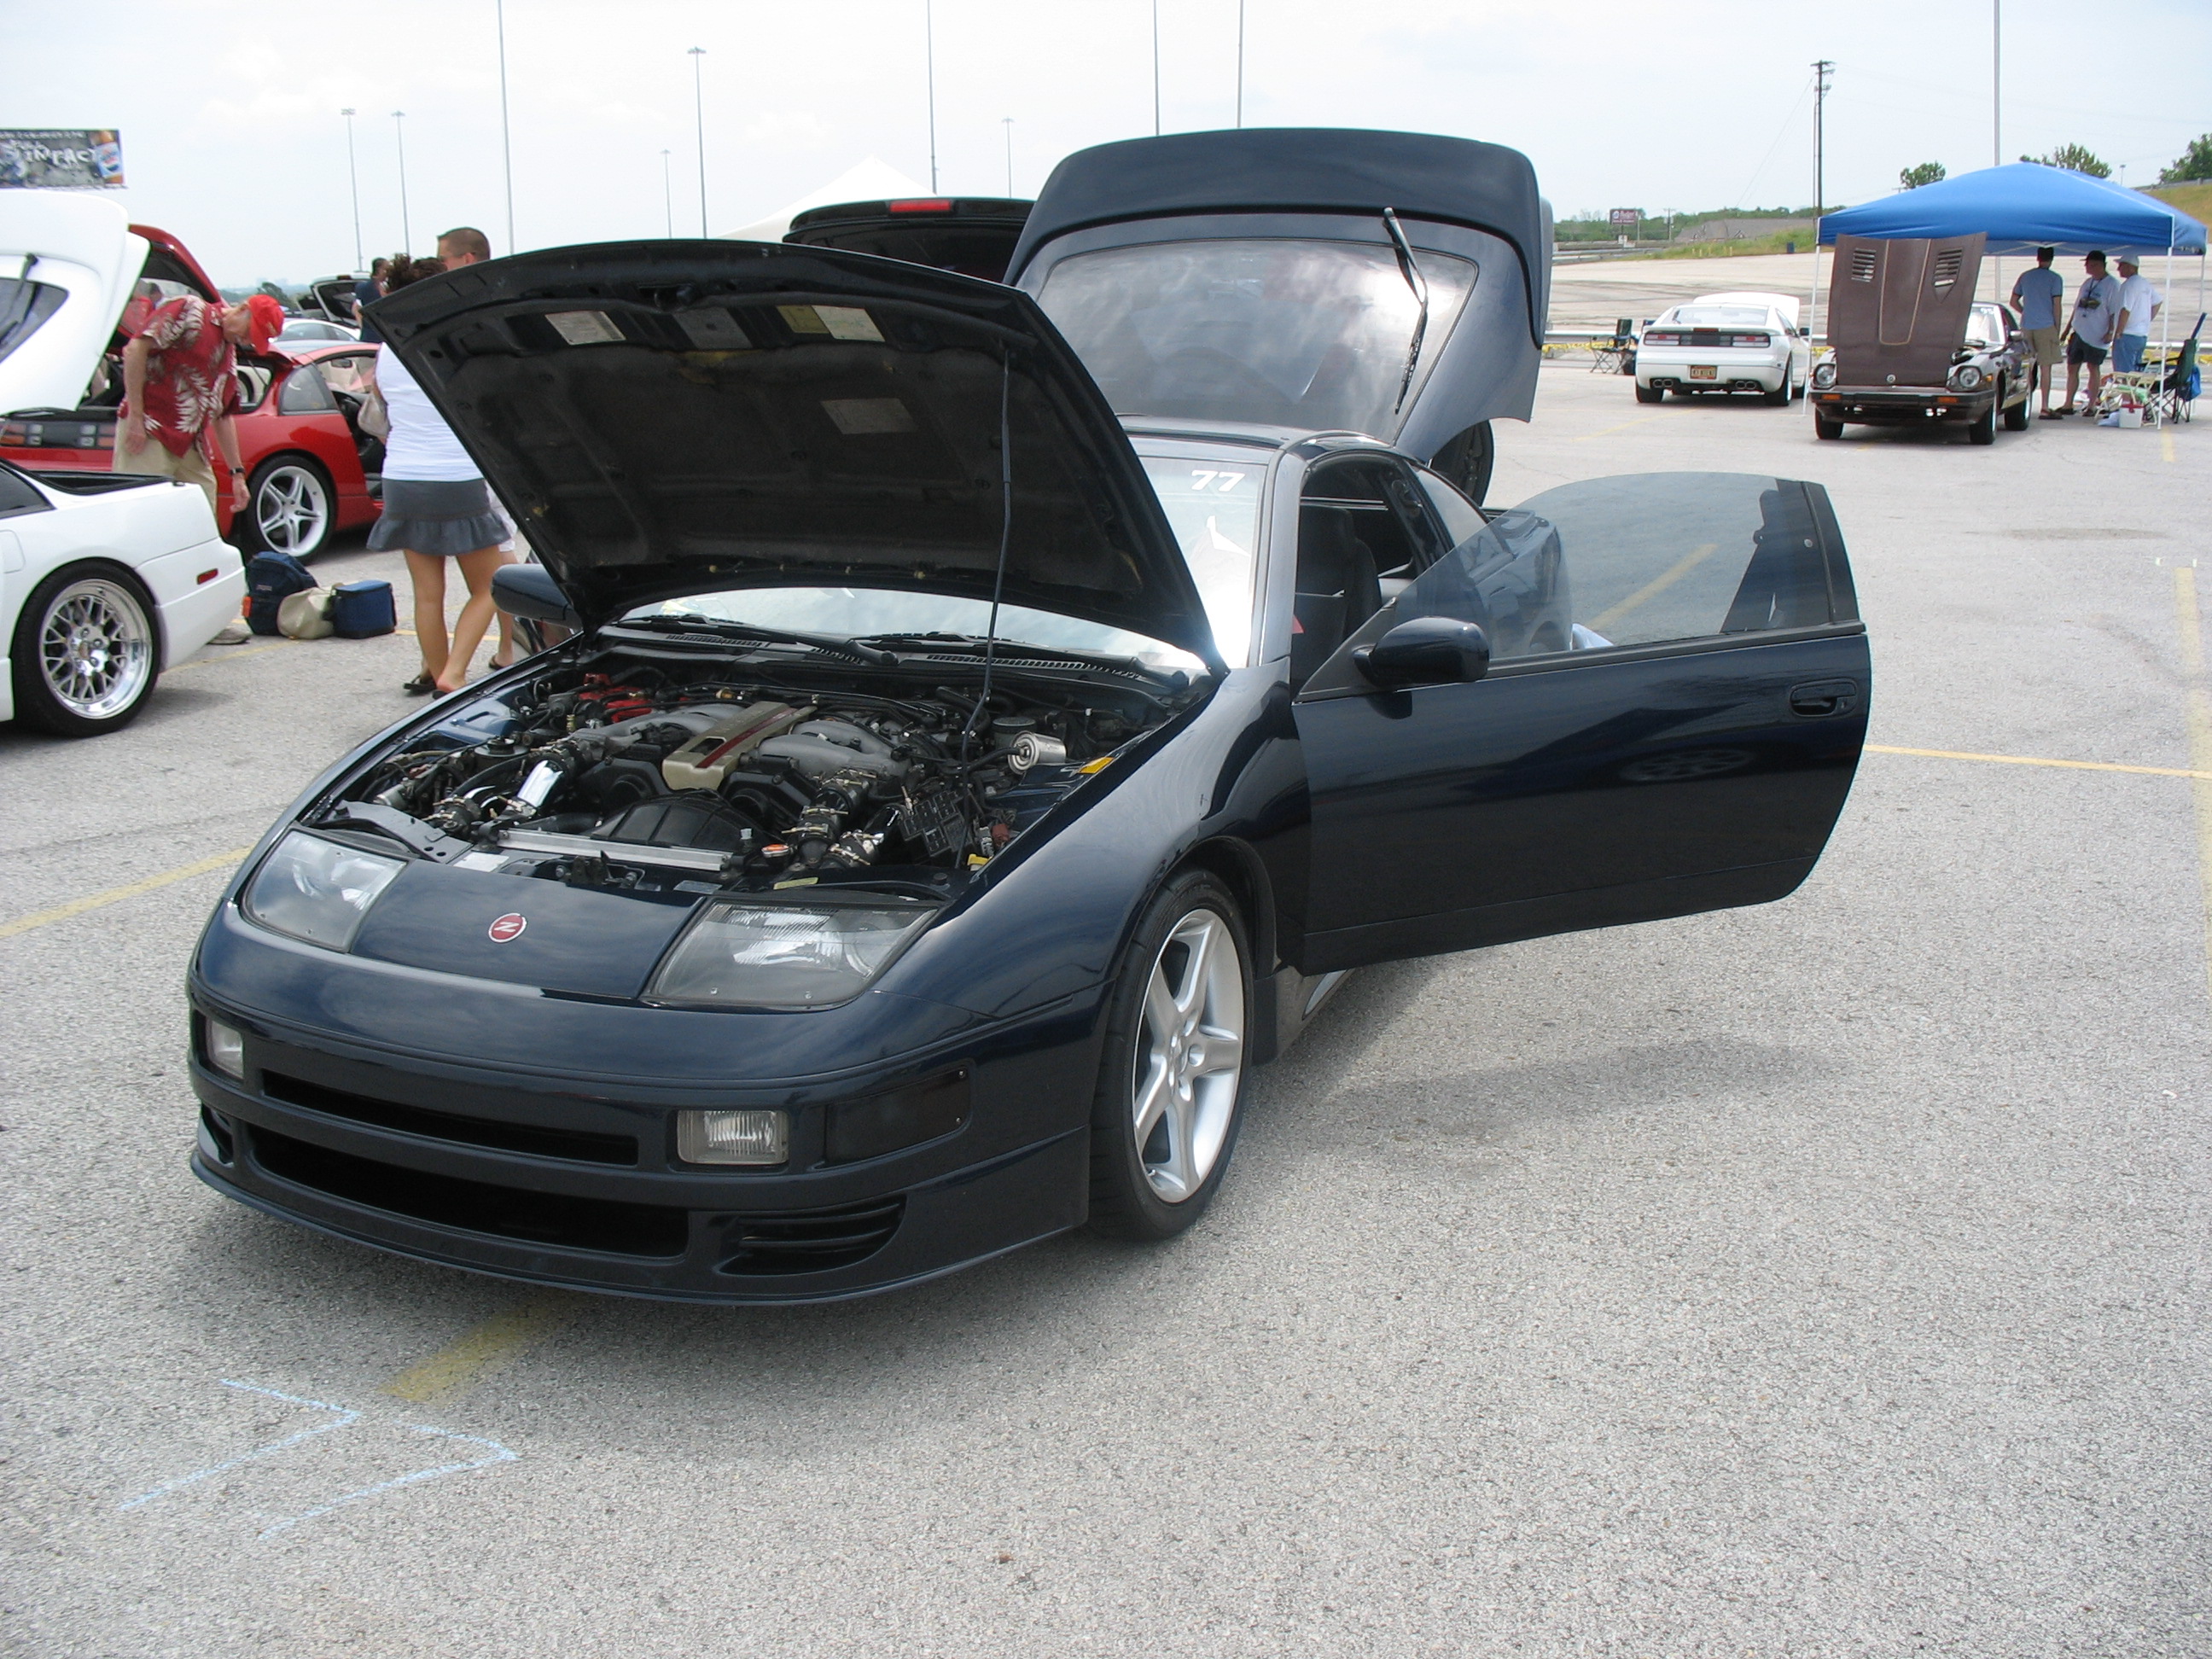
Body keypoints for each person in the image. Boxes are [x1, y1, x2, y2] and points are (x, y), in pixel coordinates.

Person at [365, 253, 516, 695]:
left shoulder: (387, 350)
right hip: (455, 474)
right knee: (491, 586)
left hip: (401, 477)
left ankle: (437, 675)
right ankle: (455, 673)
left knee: (427, 594)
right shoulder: (454, 343)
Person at [111, 289, 283, 517]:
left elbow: (223, 415)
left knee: (203, 512)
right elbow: (135, 350)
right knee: (140, 513)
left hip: (190, 444)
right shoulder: (190, 309)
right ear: (242, 310)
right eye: (250, 332)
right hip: (151, 429)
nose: (247, 341)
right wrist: (135, 417)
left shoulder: (228, 353)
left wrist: (237, 474)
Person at [2058, 250, 2122, 418]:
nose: (2088, 268)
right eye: (2087, 265)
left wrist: (2110, 331)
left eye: (2092, 265)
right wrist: (2067, 330)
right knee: (2072, 366)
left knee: (2093, 367)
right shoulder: (2088, 283)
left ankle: (2092, 405)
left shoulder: (2112, 285)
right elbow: (2077, 308)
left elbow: (2114, 312)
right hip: (2079, 330)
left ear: (2102, 265)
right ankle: (2068, 403)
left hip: (2097, 333)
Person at [2010, 247, 2066, 416]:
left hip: (2027, 326)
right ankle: (2045, 406)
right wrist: (2057, 328)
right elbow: (2057, 305)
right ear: (2052, 259)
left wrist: (2025, 312)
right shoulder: (2055, 278)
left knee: (2028, 368)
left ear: (2038, 258)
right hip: (2046, 326)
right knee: (2045, 368)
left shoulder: (2025, 276)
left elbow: (2013, 301)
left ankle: (2025, 404)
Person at [2110, 256, 2163, 375]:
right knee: (2135, 372)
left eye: (2121, 265)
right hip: (2141, 335)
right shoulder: (2145, 283)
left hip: (2127, 335)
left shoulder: (2129, 285)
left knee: (2124, 374)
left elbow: (2125, 309)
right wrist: (2145, 320)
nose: (2118, 269)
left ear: (2130, 267)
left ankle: (2127, 389)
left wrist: (2119, 332)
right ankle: (2134, 388)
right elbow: (2158, 302)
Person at [353, 257, 389, 343]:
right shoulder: (368, 287)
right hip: (377, 335)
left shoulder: (361, 287)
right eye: (386, 269)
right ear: (380, 270)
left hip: (371, 334)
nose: (388, 273)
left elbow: (356, 309)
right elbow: (356, 309)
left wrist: (362, 326)